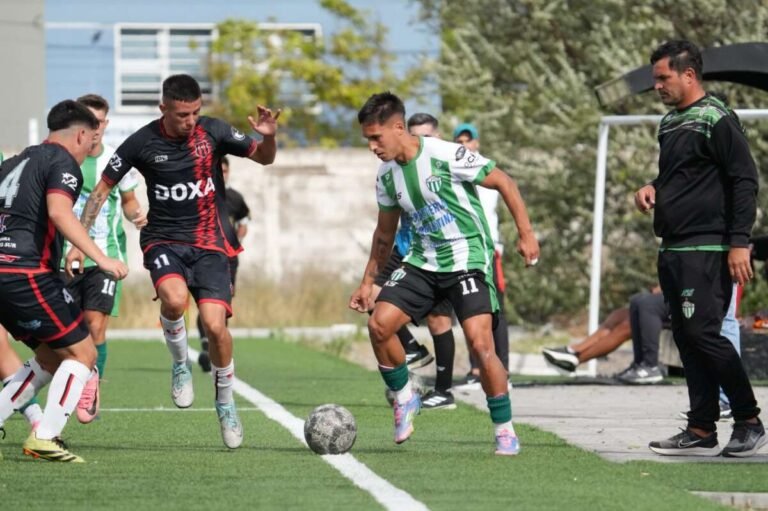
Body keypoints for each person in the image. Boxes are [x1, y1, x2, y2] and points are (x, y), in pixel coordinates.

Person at [75, 74, 279, 449]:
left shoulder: (214, 131)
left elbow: (265, 158)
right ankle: (180, 364)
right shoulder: (141, 142)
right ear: (163, 109)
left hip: (211, 244)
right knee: (174, 300)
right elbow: (102, 190)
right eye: (183, 114)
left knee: (215, 327)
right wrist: (81, 243)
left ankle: (225, 403)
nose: (190, 121)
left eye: (195, 112)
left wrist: (268, 136)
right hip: (163, 240)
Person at [349, 92, 539, 455]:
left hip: (467, 259)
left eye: (376, 137)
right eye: (367, 140)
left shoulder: (445, 154)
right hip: (422, 262)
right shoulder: (386, 175)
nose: (372, 147)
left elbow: (505, 182)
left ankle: (504, 428)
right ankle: (405, 397)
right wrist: (368, 283)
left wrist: (526, 234)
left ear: (398, 127)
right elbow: (384, 234)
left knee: (480, 345)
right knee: (379, 325)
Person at [635, 40, 765, 457]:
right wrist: (653, 187)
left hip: (708, 246)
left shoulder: (716, 117)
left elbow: (744, 180)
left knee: (704, 335)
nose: (657, 86)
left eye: (663, 78)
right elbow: (678, 176)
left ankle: (748, 420)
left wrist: (739, 242)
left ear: (688, 74)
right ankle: (701, 427)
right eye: (655, 79)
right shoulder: (670, 123)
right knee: (688, 340)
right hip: (673, 246)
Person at [0, 100, 128, 462]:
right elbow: (59, 212)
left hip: (4, 274)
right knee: (83, 354)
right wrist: (101, 258)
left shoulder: (13, 162)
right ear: (82, 134)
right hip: (26, 273)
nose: (90, 148)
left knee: (50, 356)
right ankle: (46, 436)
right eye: (92, 140)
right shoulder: (62, 161)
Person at [61, 94, 147, 424]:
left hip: (106, 256)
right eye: (88, 121)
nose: (94, 128)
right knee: (66, 331)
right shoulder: (63, 159)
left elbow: (128, 200)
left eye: (98, 122)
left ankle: (89, 387)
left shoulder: (116, 160)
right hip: (64, 257)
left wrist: (136, 214)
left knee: (95, 324)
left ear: (105, 124)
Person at [453, 123, 511, 384]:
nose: (464, 145)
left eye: (468, 140)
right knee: (469, 309)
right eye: (459, 141)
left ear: (476, 143)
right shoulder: (452, 167)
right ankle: (476, 368)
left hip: (487, 249)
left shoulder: (483, 168)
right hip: (461, 250)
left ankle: (503, 369)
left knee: (495, 309)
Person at [196, 155, 250, 372]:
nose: (222, 174)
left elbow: (244, 222)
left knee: (223, 304)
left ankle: (216, 347)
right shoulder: (201, 193)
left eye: (225, 171)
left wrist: (236, 240)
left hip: (228, 259)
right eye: (218, 170)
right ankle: (207, 344)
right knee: (205, 302)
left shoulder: (235, 198)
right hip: (204, 256)